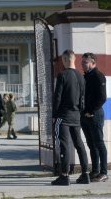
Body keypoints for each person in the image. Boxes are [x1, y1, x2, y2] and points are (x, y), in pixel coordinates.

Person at [51, 49, 89, 186]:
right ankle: (85, 174)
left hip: (63, 116)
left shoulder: (63, 75)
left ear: (66, 60)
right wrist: (80, 112)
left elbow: (57, 97)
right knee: (79, 144)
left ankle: (64, 176)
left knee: (64, 145)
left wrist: (54, 115)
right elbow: (83, 98)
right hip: (76, 115)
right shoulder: (81, 76)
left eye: (63, 60)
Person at [81, 52, 108, 182]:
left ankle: (103, 172)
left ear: (93, 63)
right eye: (82, 62)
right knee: (91, 144)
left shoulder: (98, 76)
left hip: (95, 114)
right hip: (85, 115)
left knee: (99, 144)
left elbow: (102, 97)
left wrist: (90, 111)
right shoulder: (85, 77)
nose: (83, 64)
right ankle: (95, 171)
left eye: (85, 62)